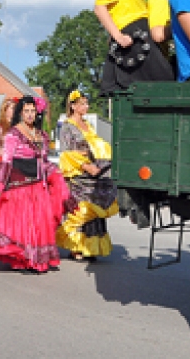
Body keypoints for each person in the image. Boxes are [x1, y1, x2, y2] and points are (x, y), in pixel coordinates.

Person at [0, 95, 69, 272]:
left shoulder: (41, 134)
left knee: (38, 223)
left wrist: (54, 173)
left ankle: (37, 259)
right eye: (26, 111)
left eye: (33, 111)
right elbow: (7, 160)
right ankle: (25, 260)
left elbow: (44, 159)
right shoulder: (13, 133)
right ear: (21, 113)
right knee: (24, 224)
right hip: (20, 183)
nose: (30, 114)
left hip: (39, 183)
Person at [56, 91, 118, 260]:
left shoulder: (87, 125)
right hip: (79, 174)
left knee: (96, 207)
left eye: (86, 103)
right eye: (82, 103)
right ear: (73, 106)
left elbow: (95, 147)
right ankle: (76, 247)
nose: (86, 106)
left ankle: (92, 248)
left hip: (94, 173)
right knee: (81, 210)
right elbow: (66, 153)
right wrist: (85, 165)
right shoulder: (67, 126)